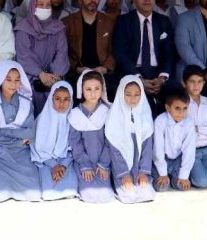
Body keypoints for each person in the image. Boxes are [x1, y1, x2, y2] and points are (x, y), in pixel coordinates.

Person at [0, 61, 41, 202]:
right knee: (2, 194)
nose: (13, 84)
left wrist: (4, 132)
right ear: (0, 79)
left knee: (33, 193)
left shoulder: (26, 103)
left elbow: (29, 133)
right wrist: (18, 140)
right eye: (8, 80)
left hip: (21, 152)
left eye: (17, 80)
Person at [113, 0, 174, 115]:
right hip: (132, 71)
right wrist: (138, 79)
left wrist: (162, 78)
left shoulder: (164, 21)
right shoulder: (123, 21)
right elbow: (120, 54)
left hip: (158, 73)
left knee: (176, 93)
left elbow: (169, 54)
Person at [14, 0, 69, 114]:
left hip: (54, 78)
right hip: (30, 78)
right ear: (33, 6)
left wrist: (55, 75)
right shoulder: (23, 28)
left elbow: (62, 53)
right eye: (40, 5)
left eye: (48, 5)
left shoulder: (58, 27)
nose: (44, 8)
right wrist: (40, 74)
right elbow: (24, 57)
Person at [105, 76, 156, 204]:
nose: (132, 99)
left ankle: (142, 176)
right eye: (128, 94)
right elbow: (114, 150)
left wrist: (143, 171)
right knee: (128, 196)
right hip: (121, 168)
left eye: (137, 95)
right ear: (121, 93)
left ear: (142, 95)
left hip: (139, 166)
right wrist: (124, 174)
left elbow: (147, 147)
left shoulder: (145, 115)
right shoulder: (114, 116)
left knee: (147, 193)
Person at [62, 0, 117, 99]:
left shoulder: (109, 22)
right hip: (77, 72)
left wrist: (105, 68)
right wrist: (76, 68)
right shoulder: (68, 23)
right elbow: (62, 52)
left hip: (103, 72)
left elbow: (115, 50)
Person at [67, 70, 115, 203]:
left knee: (105, 194)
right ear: (81, 90)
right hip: (83, 162)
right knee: (88, 193)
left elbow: (111, 140)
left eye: (96, 89)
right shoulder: (75, 114)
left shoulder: (107, 112)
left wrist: (104, 164)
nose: (93, 93)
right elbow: (75, 143)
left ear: (102, 89)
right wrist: (85, 165)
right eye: (88, 89)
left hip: (104, 161)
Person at [30, 81, 79, 200]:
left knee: (71, 189)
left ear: (71, 100)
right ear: (51, 99)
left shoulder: (73, 120)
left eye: (66, 99)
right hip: (45, 161)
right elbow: (37, 148)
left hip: (65, 161)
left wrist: (63, 164)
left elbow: (75, 147)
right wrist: (54, 165)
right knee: (48, 191)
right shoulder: (41, 120)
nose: (61, 103)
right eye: (57, 98)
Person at [152, 92, 195, 192]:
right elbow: (158, 149)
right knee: (161, 187)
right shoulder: (160, 121)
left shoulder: (189, 123)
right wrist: (162, 173)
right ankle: (164, 174)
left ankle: (174, 177)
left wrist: (184, 175)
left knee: (181, 187)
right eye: (177, 108)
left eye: (185, 108)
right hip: (162, 159)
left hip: (177, 160)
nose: (181, 112)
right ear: (167, 108)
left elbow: (189, 150)